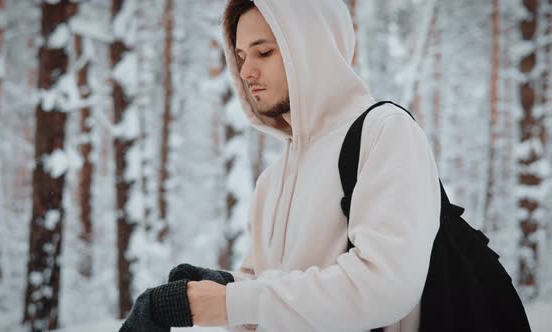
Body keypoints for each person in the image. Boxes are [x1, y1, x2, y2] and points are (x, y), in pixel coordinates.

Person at [121, 0, 441, 331]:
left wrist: (231, 302)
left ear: (313, 50)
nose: (245, 72)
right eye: (242, 56)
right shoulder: (272, 181)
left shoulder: (384, 133)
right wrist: (222, 287)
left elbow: (384, 286)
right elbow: (273, 299)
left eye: (264, 53)